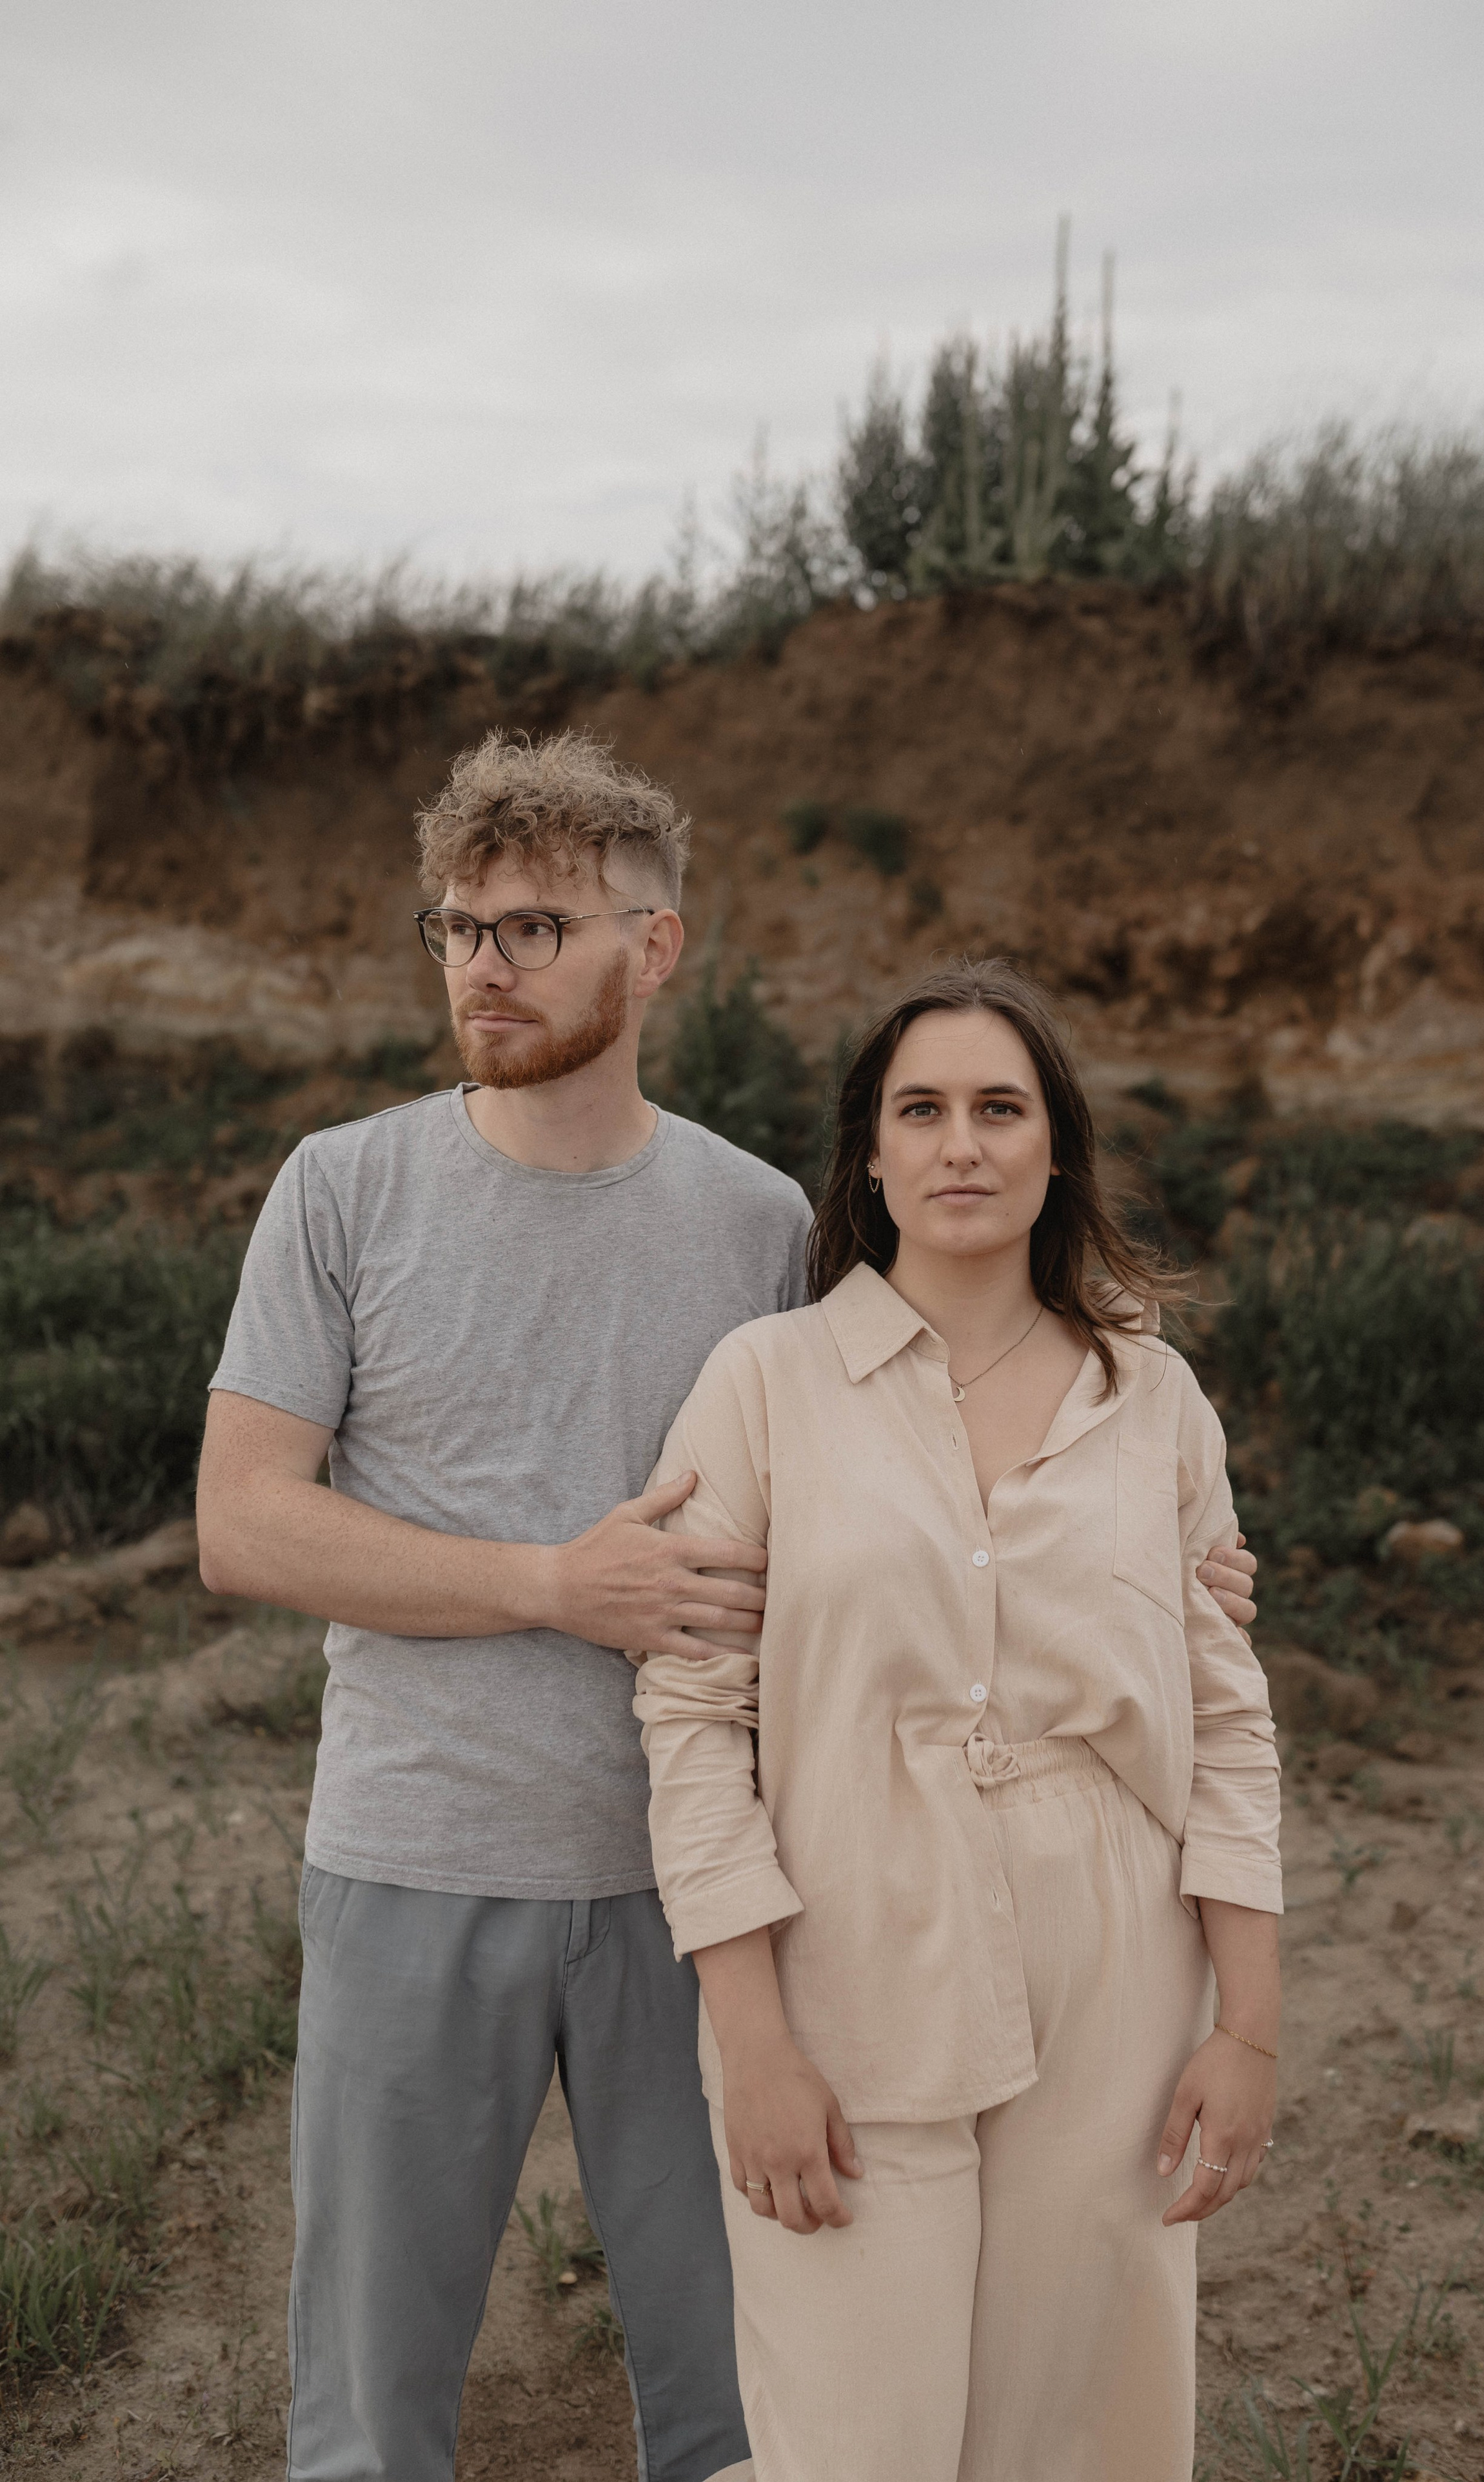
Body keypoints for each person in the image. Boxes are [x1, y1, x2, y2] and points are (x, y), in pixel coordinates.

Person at [195, 729, 1263, 2482]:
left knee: (744, 2413)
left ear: (656, 946)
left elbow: (929, 1453)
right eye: (460, 924)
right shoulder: (345, 1187)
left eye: (537, 925)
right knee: (370, 2419)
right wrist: (555, 1584)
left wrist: (1164, 1561)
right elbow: (242, 1528)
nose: (485, 961)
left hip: (719, 1911)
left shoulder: (761, 1220)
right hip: (410, 1860)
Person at [634, 961, 1282, 2482]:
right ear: (869, 1150)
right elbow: (686, 1721)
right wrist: (754, 2043)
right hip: (843, 1948)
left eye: (1002, 1108)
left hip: (1117, 1959)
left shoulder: (1153, 1400)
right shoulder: (764, 1382)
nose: (961, 1144)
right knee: (853, 2441)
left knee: (1079, 2429)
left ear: (1055, 1148)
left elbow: (1228, 1727)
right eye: (920, 1109)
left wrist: (1245, 2026)